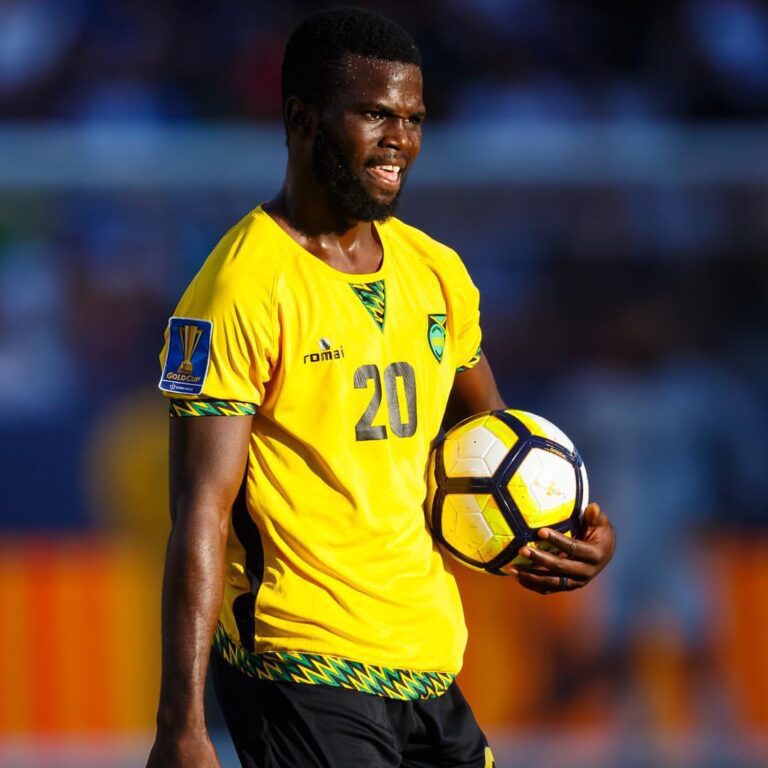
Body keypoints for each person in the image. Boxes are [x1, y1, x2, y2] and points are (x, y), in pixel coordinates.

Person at [146, 8, 615, 768]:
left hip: (427, 659)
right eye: (374, 114)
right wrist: (181, 724)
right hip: (299, 664)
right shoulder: (239, 288)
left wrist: (563, 531)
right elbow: (200, 510)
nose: (400, 138)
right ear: (301, 118)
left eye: (413, 119)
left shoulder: (436, 271)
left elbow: (494, 441)